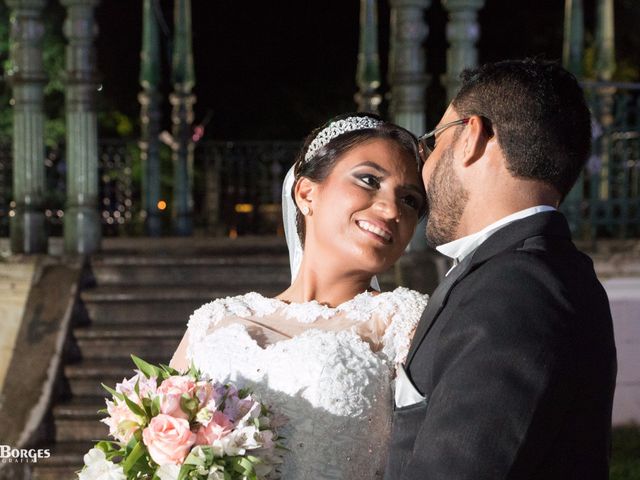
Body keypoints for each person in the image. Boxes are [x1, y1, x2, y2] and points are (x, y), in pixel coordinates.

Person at [385, 59, 617, 480]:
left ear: (471, 135)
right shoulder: (542, 270)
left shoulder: (514, 290)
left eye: (431, 143)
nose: (424, 167)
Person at [170, 113, 429, 478]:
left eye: (410, 201)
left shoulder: (405, 321)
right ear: (307, 193)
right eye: (369, 180)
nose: (391, 209)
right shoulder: (213, 321)